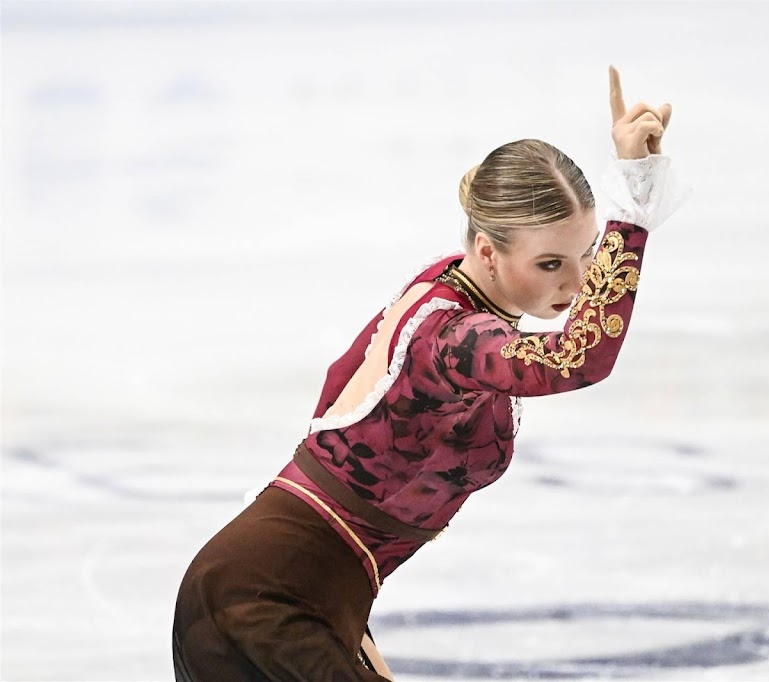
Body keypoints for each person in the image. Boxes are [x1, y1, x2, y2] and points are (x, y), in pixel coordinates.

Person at [172, 65, 688, 681]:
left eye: (585, 255)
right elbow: (578, 357)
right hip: (262, 596)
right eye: (551, 263)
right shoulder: (448, 339)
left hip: (306, 594)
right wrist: (631, 202)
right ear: (488, 251)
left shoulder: (451, 298)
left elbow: (339, 393)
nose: (576, 285)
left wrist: (351, 621)